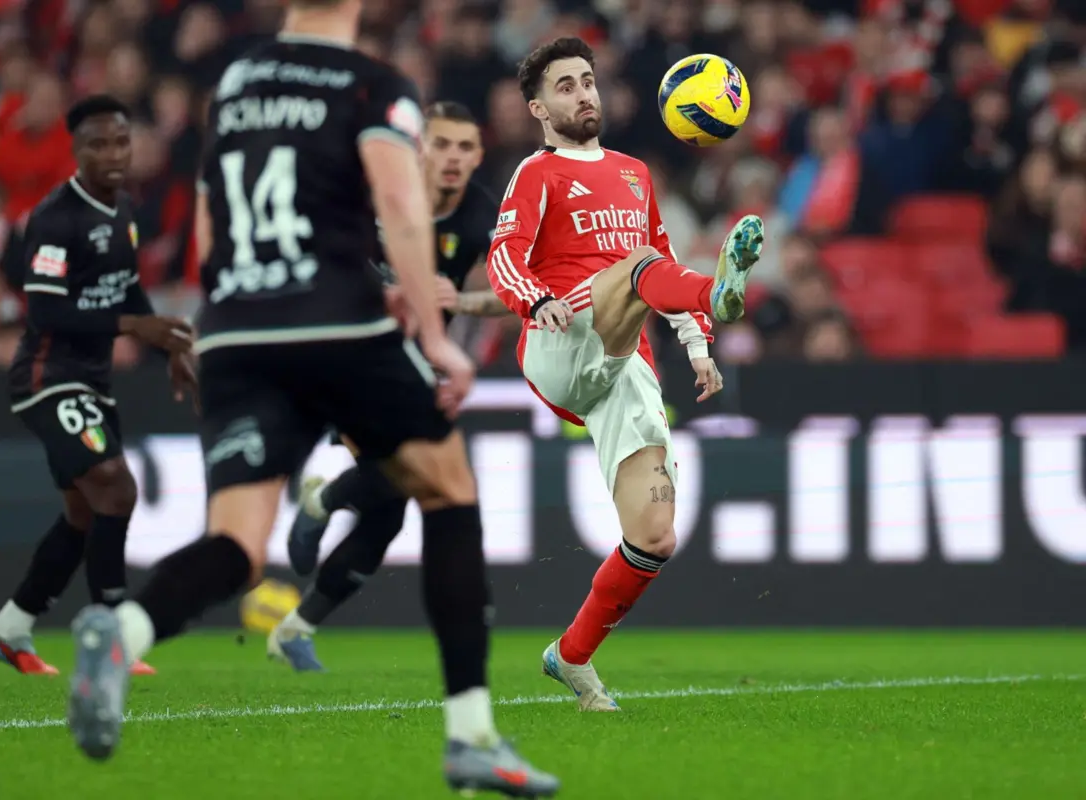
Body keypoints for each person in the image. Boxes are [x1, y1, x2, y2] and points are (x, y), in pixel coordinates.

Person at [63, 2, 559, 795]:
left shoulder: (232, 81)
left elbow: (207, 216)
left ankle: (123, 631)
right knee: (449, 491)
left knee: (235, 546)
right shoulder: (373, 84)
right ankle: (470, 733)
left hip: (232, 324)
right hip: (334, 319)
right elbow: (399, 207)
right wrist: (434, 340)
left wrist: (207, 329)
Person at [487, 38, 763, 711]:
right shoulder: (537, 172)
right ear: (539, 108)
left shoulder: (635, 173)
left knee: (655, 535)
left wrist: (697, 349)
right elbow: (503, 256)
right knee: (637, 267)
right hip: (558, 341)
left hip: (620, 361)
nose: (584, 94)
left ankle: (573, 657)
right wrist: (537, 300)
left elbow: (660, 263)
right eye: (566, 86)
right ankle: (718, 294)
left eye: (588, 81)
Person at [273, 100, 507, 673]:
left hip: (413, 368)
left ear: (478, 156)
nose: (452, 159)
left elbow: (524, 292)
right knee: (402, 476)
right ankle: (323, 500)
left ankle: (295, 626)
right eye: (441, 144)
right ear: (420, 147)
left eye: (464, 148)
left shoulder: (483, 216)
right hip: (341, 353)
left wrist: (466, 299)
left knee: (388, 511)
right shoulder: (376, 191)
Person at [0, 95, 196, 677]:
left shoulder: (123, 210)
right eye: (98, 144)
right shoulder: (53, 218)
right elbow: (46, 313)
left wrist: (167, 342)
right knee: (116, 488)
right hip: (47, 377)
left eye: (121, 141)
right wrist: (132, 325)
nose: (113, 153)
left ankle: (9, 629)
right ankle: (112, 633)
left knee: (83, 513)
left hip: (91, 382)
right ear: (76, 151)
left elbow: (127, 290)